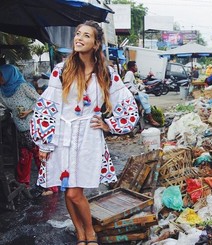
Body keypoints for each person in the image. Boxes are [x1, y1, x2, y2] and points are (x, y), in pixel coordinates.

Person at [30, 20, 139, 244]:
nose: (79, 38)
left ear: (96, 43)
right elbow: (47, 105)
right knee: (68, 189)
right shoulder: (62, 70)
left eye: (86, 35)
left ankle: (89, 232)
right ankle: (82, 234)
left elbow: (128, 104)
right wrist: (44, 142)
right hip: (62, 134)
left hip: (88, 136)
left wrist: (110, 125)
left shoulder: (106, 74)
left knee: (74, 192)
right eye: (77, 34)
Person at [123, 61, 160, 127]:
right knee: (145, 102)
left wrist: (145, 87)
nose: (137, 68)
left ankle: (145, 116)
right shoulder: (129, 73)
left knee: (145, 96)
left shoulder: (132, 74)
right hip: (132, 95)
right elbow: (126, 84)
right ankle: (150, 119)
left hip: (135, 93)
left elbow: (135, 85)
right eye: (136, 66)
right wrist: (135, 92)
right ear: (132, 67)